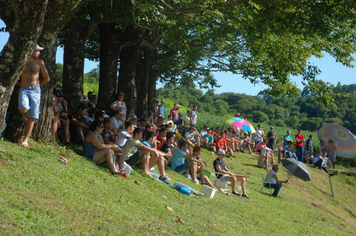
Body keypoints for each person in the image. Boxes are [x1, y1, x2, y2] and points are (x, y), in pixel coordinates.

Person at [18, 44, 50, 147]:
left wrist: (38, 86)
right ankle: (24, 115)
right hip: (23, 89)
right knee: (23, 108)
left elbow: (46, 78)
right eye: (37, 50)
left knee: (32, 116)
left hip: (36, 91)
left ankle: (25, 140)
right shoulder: (22, 61)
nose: (39, 52)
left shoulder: (40, 62)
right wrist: (20, 84)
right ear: (31, 50)